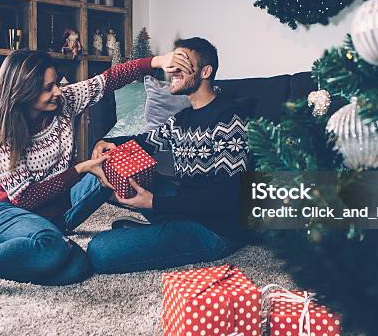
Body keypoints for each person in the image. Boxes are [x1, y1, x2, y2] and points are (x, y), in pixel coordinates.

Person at [0, 49, 193, 295]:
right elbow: (26, 199)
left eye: (57, 83)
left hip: (60, 213)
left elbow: (110, 78)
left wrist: (157, 61)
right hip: (11, 214)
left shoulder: (65, 101)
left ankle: (29, 249)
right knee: (54, 248)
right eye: (48, 88)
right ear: (23, 90)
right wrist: (83, 168)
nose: (58, 91)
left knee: (77, 268)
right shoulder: (4, 138)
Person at [79, 37, 250, 274]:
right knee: (112, 163)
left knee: (99, 251)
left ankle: (156, 233)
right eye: (172, 62)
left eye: (182, 62)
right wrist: (105, 142)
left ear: (205, 71)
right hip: (185, 202)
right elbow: (143, 142)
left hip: (215, 229)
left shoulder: (229, 119)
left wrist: (155, 203)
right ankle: (63, 226)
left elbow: (226, 197)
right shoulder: (182, 118)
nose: (172, 70)